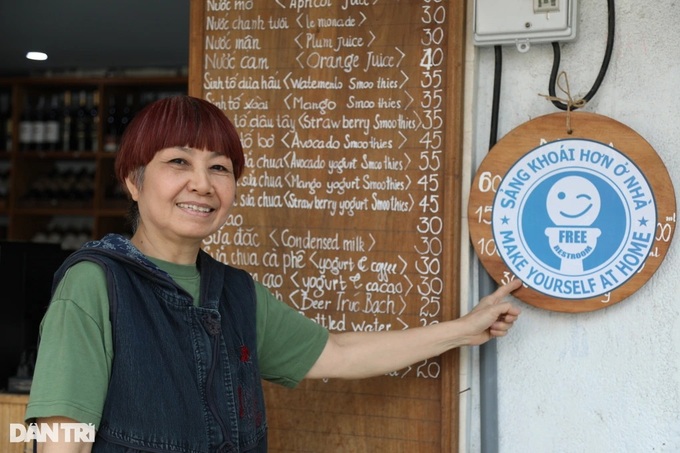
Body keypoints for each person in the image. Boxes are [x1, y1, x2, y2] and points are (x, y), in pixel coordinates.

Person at [25, 95, 521, 452]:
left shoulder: (235, 294)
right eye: (178, 162)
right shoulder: (95, 285)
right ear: (134, 182)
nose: (201, 184)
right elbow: (61, 439)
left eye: (220, 168)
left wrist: (463, 328)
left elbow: (337, 353)